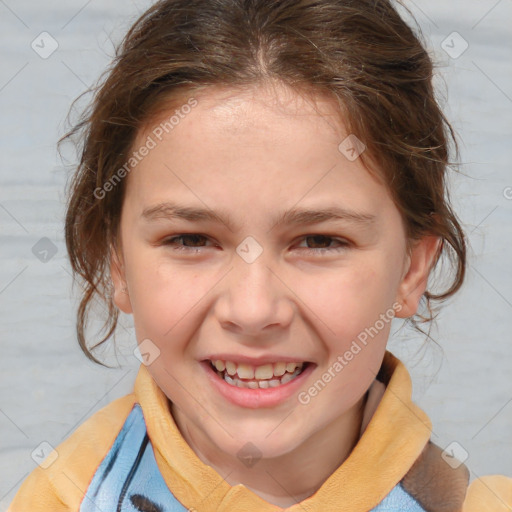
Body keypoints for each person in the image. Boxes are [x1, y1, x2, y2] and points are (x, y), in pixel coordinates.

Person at [8, 0, 512, 510]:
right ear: (117, 261)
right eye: (191, 240)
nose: (252, 311)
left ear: (412, 268)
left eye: (320, 241)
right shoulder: (61, 498)